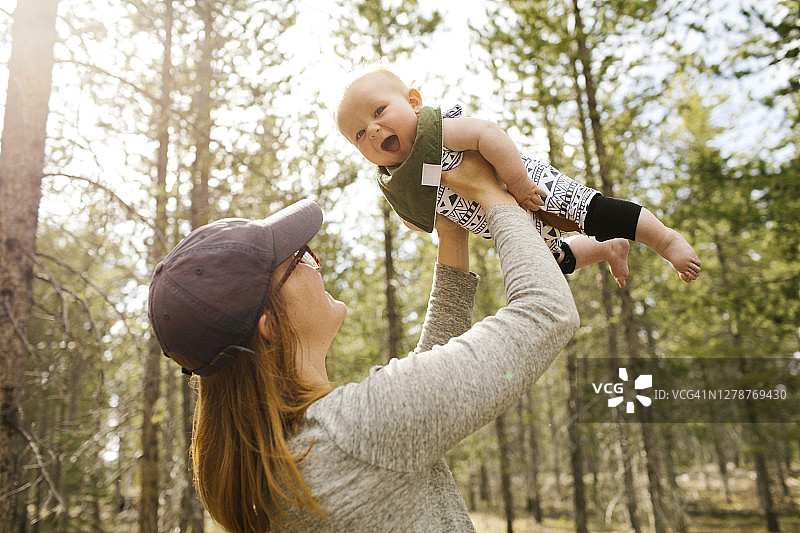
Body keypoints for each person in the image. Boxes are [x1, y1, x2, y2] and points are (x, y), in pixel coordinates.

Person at [147, 160, 580, 532]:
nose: (315, 264)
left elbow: (422, 398)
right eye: (299, 258)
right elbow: (545, 312)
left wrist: (452, 234)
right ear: (270, 325)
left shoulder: (277, 464)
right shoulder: (353, 433)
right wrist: (492, 193)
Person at [335, 68, 702, 286]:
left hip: (531, 187)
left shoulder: (437, 132)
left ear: (413, 102)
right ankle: (608, 248)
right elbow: (419, 217)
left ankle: (664, 239)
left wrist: (521, 183)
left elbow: (488, 134)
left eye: (379, 111)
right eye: (359, 134)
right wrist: (415, 217)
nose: (373, 130)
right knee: (557, 261)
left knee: (593, 212)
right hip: (504, 223)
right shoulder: (397, 181)